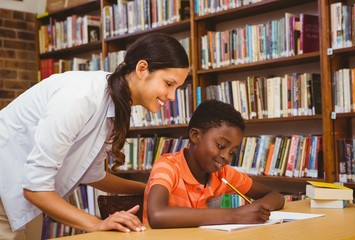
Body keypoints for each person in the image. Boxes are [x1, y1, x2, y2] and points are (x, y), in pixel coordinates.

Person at [0, 32, 189, 239]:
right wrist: (97, 224)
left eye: (177, 88)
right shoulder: (80, 98)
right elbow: (35, 186)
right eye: (169, 84)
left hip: (21, 196)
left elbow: (93, 174)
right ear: (142, 69)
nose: (171, 96)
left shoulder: (117, 105)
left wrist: (153, 190)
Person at [143, 99, 285, 228]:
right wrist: (236, 215)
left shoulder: (223, 173)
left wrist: (256, 210)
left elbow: (276, 196)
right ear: (195, 136)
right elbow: (157, 215)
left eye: (232, 152)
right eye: (221, 146)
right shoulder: (168, 167)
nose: (226, 157)